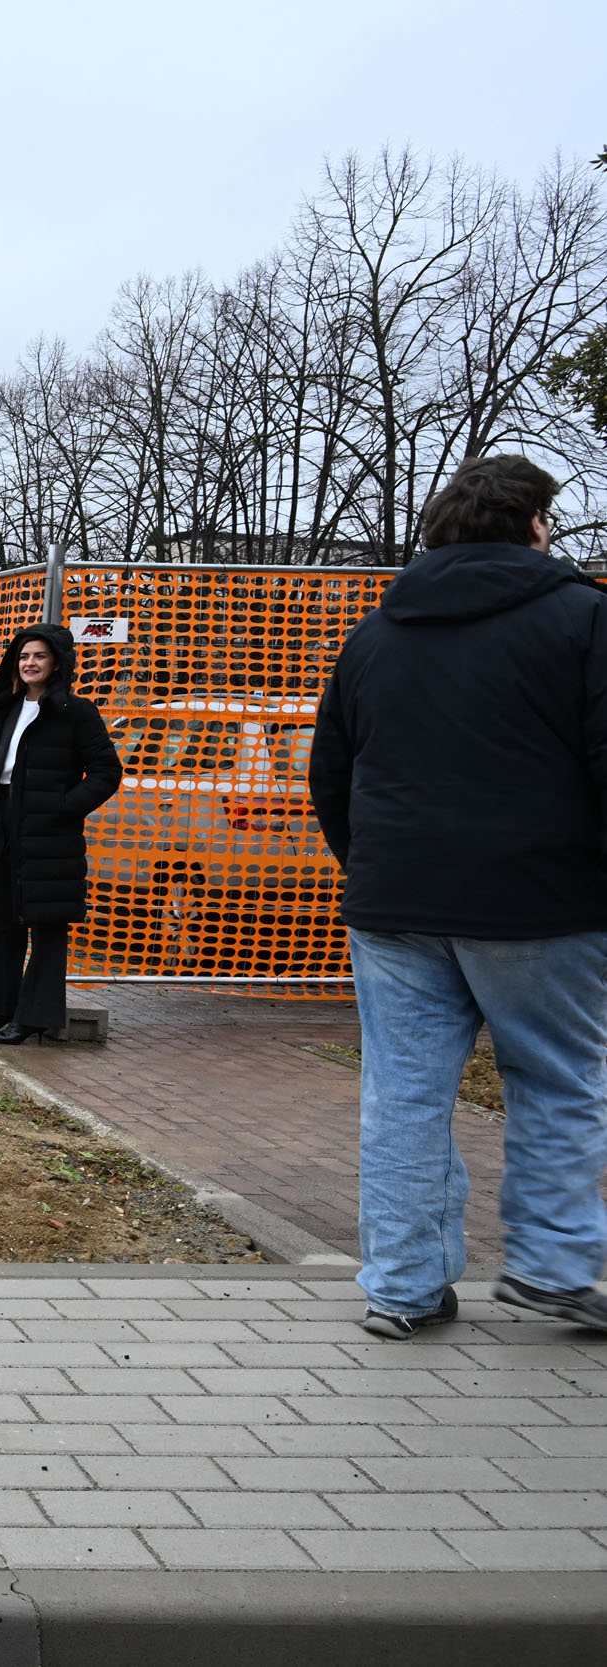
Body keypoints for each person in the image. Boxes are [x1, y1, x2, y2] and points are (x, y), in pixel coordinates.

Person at [309, 453, 607, 1338]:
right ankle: (552, 1268)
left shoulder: (375, 633)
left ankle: (402, 1283)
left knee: (402, 1093)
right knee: (557, 1083)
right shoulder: (585, 619)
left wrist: (371, 865)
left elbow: (333, 772)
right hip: (542, 900)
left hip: (395, 901)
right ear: (533, 525)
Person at [0, 623, 119, 1045]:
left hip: (49, 836)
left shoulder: (76, 712)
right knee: (1, 924)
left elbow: (106, 773)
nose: (30, 663)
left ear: (57, 663)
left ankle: (35, 1016)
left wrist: (63, 808)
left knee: (46, 928)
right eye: (24, 656)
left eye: (39, 656)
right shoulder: (3, 710)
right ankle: (0, 1011)